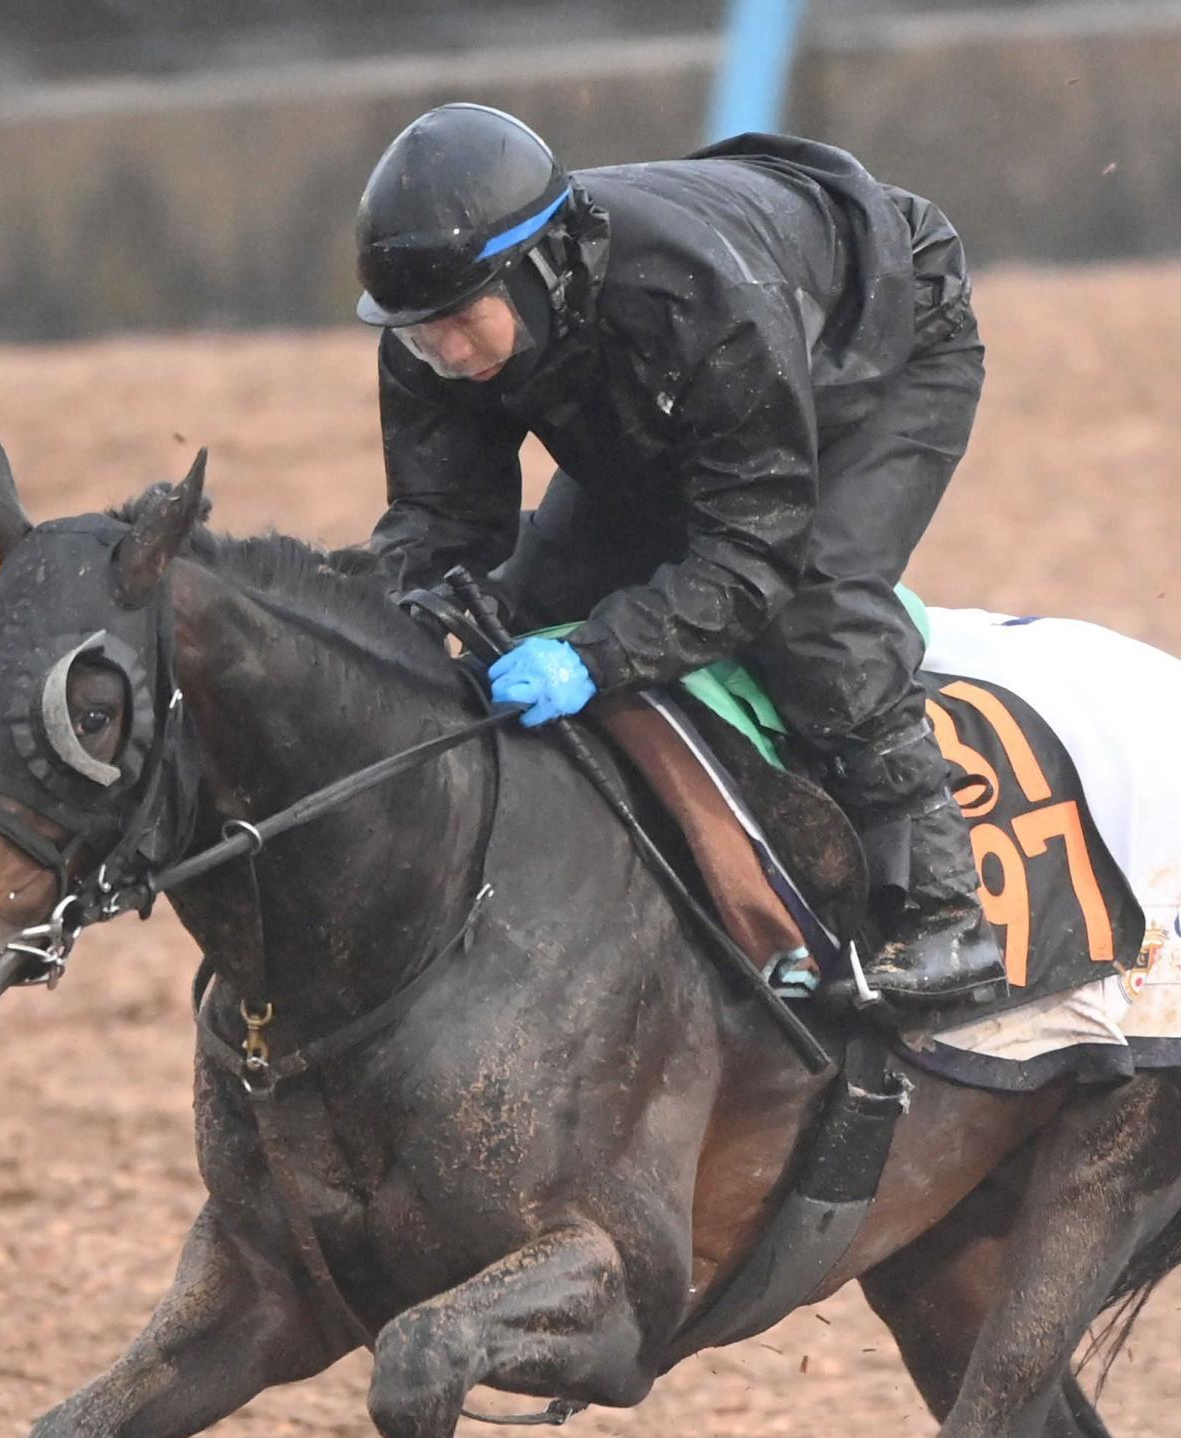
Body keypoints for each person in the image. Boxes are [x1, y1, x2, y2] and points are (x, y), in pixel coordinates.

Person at [356, 102, 1003, 1012]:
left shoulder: (694, 298)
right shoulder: (433, 334)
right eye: (421, 333)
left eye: (461, 323)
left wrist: (592, 657)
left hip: (882, 344)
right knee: (513, 602)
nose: (445, 355)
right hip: (678, 392)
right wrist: (375, 617)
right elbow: (441, 520)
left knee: (811, 599)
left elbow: (750, 556)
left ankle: (946, 915)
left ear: (541, 270)